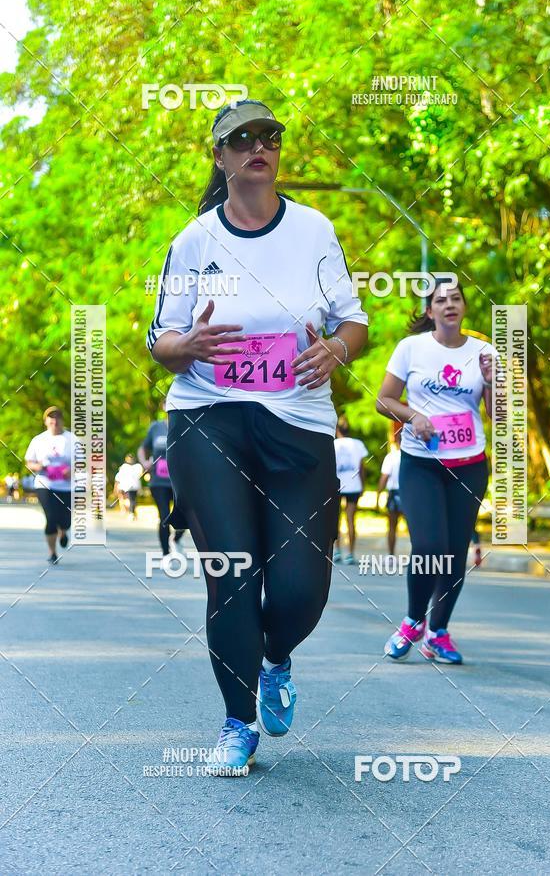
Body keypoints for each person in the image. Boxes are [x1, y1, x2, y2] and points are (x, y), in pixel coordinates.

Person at [146, 98, 368, 773]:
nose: (257, 147)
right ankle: (236, 721)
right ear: (220, 157)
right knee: (233, 577)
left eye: (268, 136)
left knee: (302, 587)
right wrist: (186, 344)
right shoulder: (193, 241)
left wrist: (335, 351)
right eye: (241, 139)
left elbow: (354, 323)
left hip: (297, 422)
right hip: (208, 418)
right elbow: (160, 339)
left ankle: (273, 657)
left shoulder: (314, 230)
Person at [376, 279, 493, 664]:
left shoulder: (484, 352)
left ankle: (438, 632)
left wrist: (493, 384)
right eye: (440, 300)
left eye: (455, 298)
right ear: (430, 311)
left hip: (470, 464)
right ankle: (413, 621)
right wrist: (414, 416)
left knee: (455, 552)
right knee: (429, 546)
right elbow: (384, 400)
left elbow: (499, 417)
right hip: (421, 463)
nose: (449, 305)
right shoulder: (411, 348)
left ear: (463, 308)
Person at [25, 406, 73, 564]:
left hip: (67, 486)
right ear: (45, 421)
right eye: (51, 417)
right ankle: (52, 553)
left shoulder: (72, 439)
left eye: (58, 417)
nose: (55, 420)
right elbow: (29, 462)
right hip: (45, 484)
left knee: (66, 520)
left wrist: (71, 470)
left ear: (62, 420)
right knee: (51, 518)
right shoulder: (39, 440)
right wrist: (40, 467)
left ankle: (63, 531)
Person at [138, 402, 185, 555]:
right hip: (158, 481)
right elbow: (143, 447)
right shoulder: (155, 427)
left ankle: (176, 539)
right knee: (164, 516)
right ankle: (166, 553)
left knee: (185, 515)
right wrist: (144, 462)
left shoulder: (185, 425)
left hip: (179, 481)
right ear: (163, 407)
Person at [333, 416, 368, 565]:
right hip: (354, 485)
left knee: (336, 519)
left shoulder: (333, 444)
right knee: (351, 520)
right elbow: (361, 467)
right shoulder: (358, 444)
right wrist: (363, 484)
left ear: (337, 430)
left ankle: (337, 550)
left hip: (337, 484)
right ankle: (351, 554)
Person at [376, 425, 403, 555]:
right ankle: (416, 557)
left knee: (392, 526)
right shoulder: (412, 458)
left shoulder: (391, 457)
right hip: (408, 492)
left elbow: (384, 477)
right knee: (414, 527)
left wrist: (378, 495)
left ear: (396, 441)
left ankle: (391, 555)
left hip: (394, 492)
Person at [115, 454, 143, 520]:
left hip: (132, 486)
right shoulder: (127, 467)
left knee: (132, 500)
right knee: (131, 500)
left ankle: (131, 512)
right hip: (129, 486)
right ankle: (131, 512)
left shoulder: (136, 467)